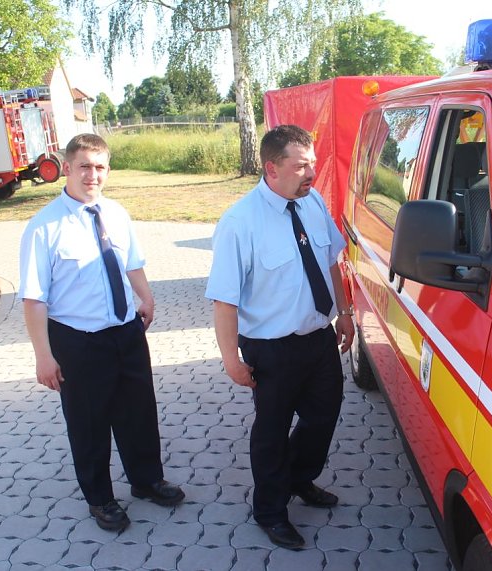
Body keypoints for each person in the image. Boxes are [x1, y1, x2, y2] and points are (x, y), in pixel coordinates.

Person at [19, 133, 184, 532]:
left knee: (139, 413)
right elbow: (34, 299)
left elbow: (132, 262)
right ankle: (101, 498)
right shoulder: (44, 227)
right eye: (85, 167)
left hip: (126, 331)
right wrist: (44, 356)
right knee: (89, 423)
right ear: (68, 168)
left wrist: (146, 298)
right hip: (79, 339)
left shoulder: (116, 213)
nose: (93, 175)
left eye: (100, 167)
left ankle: (146, 481)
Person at [205, 124, 355, 549]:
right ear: (272, 168)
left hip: (318, 337)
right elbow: (224, 301)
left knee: (323, 418)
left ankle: (298, 479)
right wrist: (230, 359)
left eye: (313, 163)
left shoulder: (312, 202)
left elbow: (329, 262)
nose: (311, 173)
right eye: (301, 165)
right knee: (271, 431)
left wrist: (343, 313)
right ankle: (270, 510)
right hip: (270, 349)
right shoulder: (240, 222)